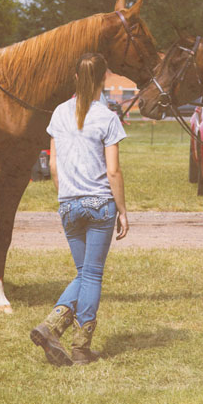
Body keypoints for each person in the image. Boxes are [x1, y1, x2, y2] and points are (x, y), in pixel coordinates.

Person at [30, 53, 129, 366]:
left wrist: (67, 197)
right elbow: (113, 171)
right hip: (100, 204)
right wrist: (123, 210)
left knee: (84, 273)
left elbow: (55, 165)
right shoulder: (108, 117)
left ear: (75, 78)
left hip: (69, 203)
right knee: (92, 274)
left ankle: (53, 328)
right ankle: (78, 346)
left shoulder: (59, 113)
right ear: (103, 80)